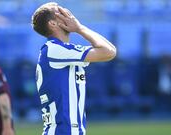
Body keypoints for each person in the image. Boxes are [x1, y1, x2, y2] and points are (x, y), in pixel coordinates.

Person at [31, 2, 116, 135]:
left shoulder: (62, 51)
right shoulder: (54, 49)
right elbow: (109, 52)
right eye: (60, 12)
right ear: (53, 23)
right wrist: (79, 28)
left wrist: (79, 28)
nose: (67, 13)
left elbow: (110, 50)